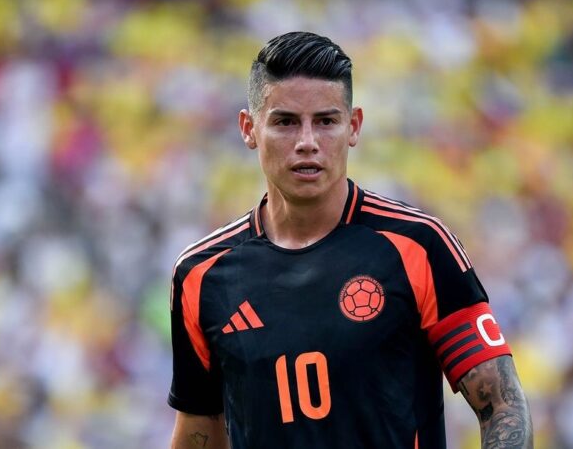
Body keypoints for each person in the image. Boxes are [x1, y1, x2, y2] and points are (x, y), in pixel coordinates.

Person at [168, 31, 533, 449]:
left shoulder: (418, 246)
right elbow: (198, 431)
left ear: (353, 126)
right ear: (249, 129)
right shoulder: (201, 275)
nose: (307, 143)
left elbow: (502, 406)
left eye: (326, 121)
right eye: (286, 122)